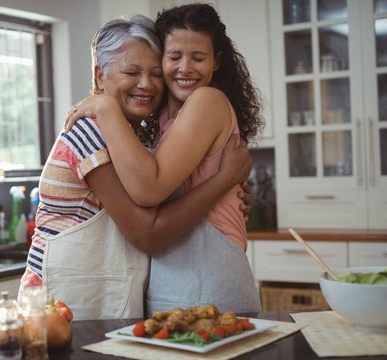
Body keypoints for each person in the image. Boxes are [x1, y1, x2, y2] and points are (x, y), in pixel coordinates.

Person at [20, 14, 254, 320]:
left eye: (155, 73)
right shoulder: (91, 131)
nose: (146, 84)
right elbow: (148, 232)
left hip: (104, 294)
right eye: (131, 71)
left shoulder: (136, 137)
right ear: (100, 76)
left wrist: (225, 187)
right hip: (61, 302)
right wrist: (223, 181)